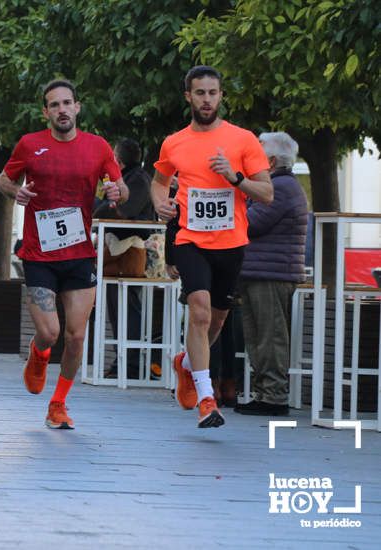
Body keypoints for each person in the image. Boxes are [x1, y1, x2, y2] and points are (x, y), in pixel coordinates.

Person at [0, 79, 126, 430]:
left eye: (67, 103)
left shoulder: (97, 147)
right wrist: (16, 192)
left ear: (78, 107)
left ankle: (58, 403)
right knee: (51, 333)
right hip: (39, 253)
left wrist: (116, 190)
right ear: (46, 112)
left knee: (76, 336)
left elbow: (122, 189)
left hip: (79, 253)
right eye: (54, 105)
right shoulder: (30, 144)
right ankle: (38, 353)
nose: (62, 110)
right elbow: (3, 180)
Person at [150, 65, 273, 428]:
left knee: (216, 319)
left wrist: (234, 178)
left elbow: (266, 193)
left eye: (213, 93)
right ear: (188, 96)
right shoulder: (174, 142)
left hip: (231, 241)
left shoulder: (243, 140)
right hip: (190, 238)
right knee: (199, 311)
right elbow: (159, 182)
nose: (207, 99)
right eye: (200, 93)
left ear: (221, 96)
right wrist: (160, 202)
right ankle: (207, 399)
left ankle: (186, 365)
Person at [235, 131, 308, 416]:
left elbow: (251, 223)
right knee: (258, 337)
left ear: (272, 160)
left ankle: (274, 397)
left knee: (270, 337)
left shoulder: (281, 188)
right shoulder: (279, 185)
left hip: (271, 274)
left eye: (257, 153)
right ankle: (264, 393)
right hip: (261, 271)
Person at [93, 138, 156, 379]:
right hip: (117, 252)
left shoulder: (137, 179)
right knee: (118, 309)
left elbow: (121, 210)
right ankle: (123, 363)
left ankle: (132, 365)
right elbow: (103, 208)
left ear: (118, 161)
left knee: (127, 310)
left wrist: (104, 205)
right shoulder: (128, 179)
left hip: (129, 253)